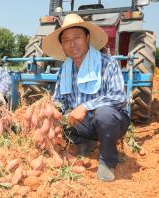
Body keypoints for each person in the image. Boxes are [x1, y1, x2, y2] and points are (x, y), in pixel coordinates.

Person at [42, 14, 130, 182]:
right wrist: (51, 109)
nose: (72, 43)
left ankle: (107, 160)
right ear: (62, 45)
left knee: (104, 114)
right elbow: (60, 100)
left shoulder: (107, 63)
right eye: (66, 40)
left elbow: (119, 97)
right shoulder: (64, 70)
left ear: (87, 37)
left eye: (77, 37)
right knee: (55, 119)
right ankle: (84, 142)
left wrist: (85, 106)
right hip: (82, 125)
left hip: (112, 122)